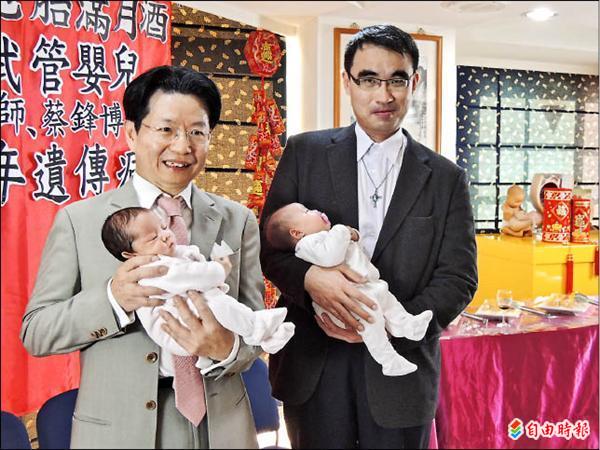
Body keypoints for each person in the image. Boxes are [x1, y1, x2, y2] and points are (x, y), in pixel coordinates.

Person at [21, 65, 264, 449]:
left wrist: (228, 348)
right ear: (132, 133)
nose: (182, 146)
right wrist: (113, 299)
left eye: (197, 132)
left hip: (220, 427)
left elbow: (255, 322)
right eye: (166, 129)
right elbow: (37, 332)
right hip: (117, 431)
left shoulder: (238, 219)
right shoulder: (79, 221)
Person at [259, 25, 478, 449]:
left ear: (414, 82)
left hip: (401, 374)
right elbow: (272, 249)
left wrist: (388, 324)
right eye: (369, 79)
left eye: (397, 79)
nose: (384, 94)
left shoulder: (445, 178)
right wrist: (312, 281)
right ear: (347, 82)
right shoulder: (304, 153)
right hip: (314, 364)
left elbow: (459, 278)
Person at [101, 206, 295, 362]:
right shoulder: (151, 269)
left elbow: (189, 260)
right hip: (178, 331)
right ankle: (257, 329)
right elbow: (191, 275)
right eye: (153, 238)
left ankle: (262, 333)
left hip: (194, 323)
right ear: (130, 254)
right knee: (217, 304)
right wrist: (219, 270)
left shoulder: (238, 215)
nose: (165, 235)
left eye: (163, 227)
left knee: (217, 302)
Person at [263, 202, 432, 376]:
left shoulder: (325, 237)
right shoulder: (307, 244)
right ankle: (388, 360)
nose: (316, 210)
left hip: (366, 287)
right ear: (297, 233)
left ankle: (408, 326)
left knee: (388, 301)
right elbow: (330, 257)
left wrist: (353, 235)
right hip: (348, 299)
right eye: (307, 212)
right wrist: (342, 230)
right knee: (371, 322)